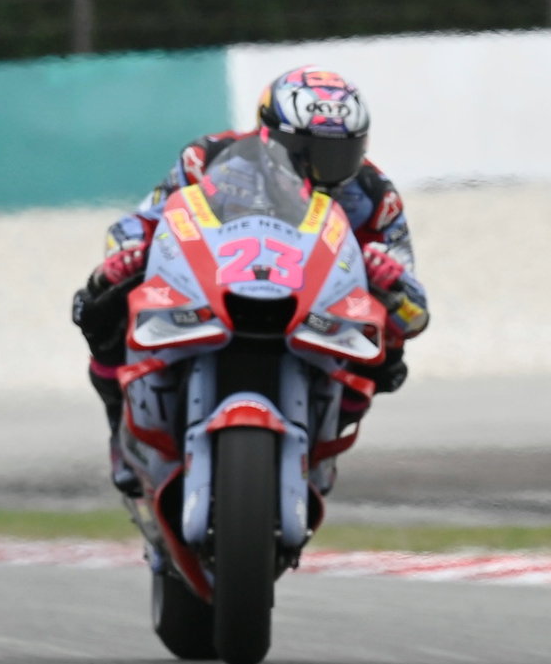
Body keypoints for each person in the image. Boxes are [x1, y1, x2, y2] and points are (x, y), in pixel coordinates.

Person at [71, 66, 429, 496]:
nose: (319, 169)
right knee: (98, 304)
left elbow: (415, 308)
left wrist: (392, 283)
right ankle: (121, 427)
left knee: (389, 339)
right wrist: (125, 252)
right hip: (217, 279)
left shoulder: (374, 195)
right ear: (268, 137)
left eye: (337, 154)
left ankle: (330, 438)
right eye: (303, 152)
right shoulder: (209, 158)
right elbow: (142, 219)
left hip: (320, 304)